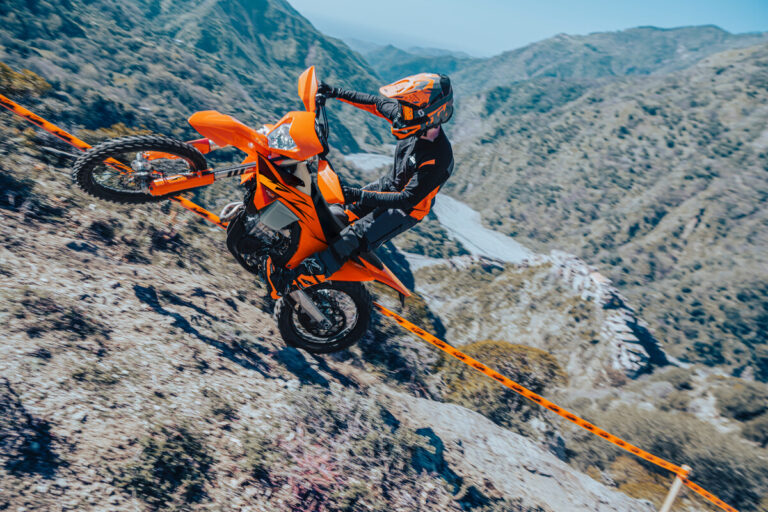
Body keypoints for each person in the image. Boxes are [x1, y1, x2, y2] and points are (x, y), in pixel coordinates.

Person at [268, 72, 455, 294]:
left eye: (407, 109)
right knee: (336, 214)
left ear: (430, 115)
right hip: (388, 185)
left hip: (405, 210)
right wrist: (334, 92)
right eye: (402, 107)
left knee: (352, 237)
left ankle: (295, 281)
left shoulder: (438, 157)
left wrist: (358, 194)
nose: (400, 114)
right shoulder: (411, 120)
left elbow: (406, 199)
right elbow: (375, 103)